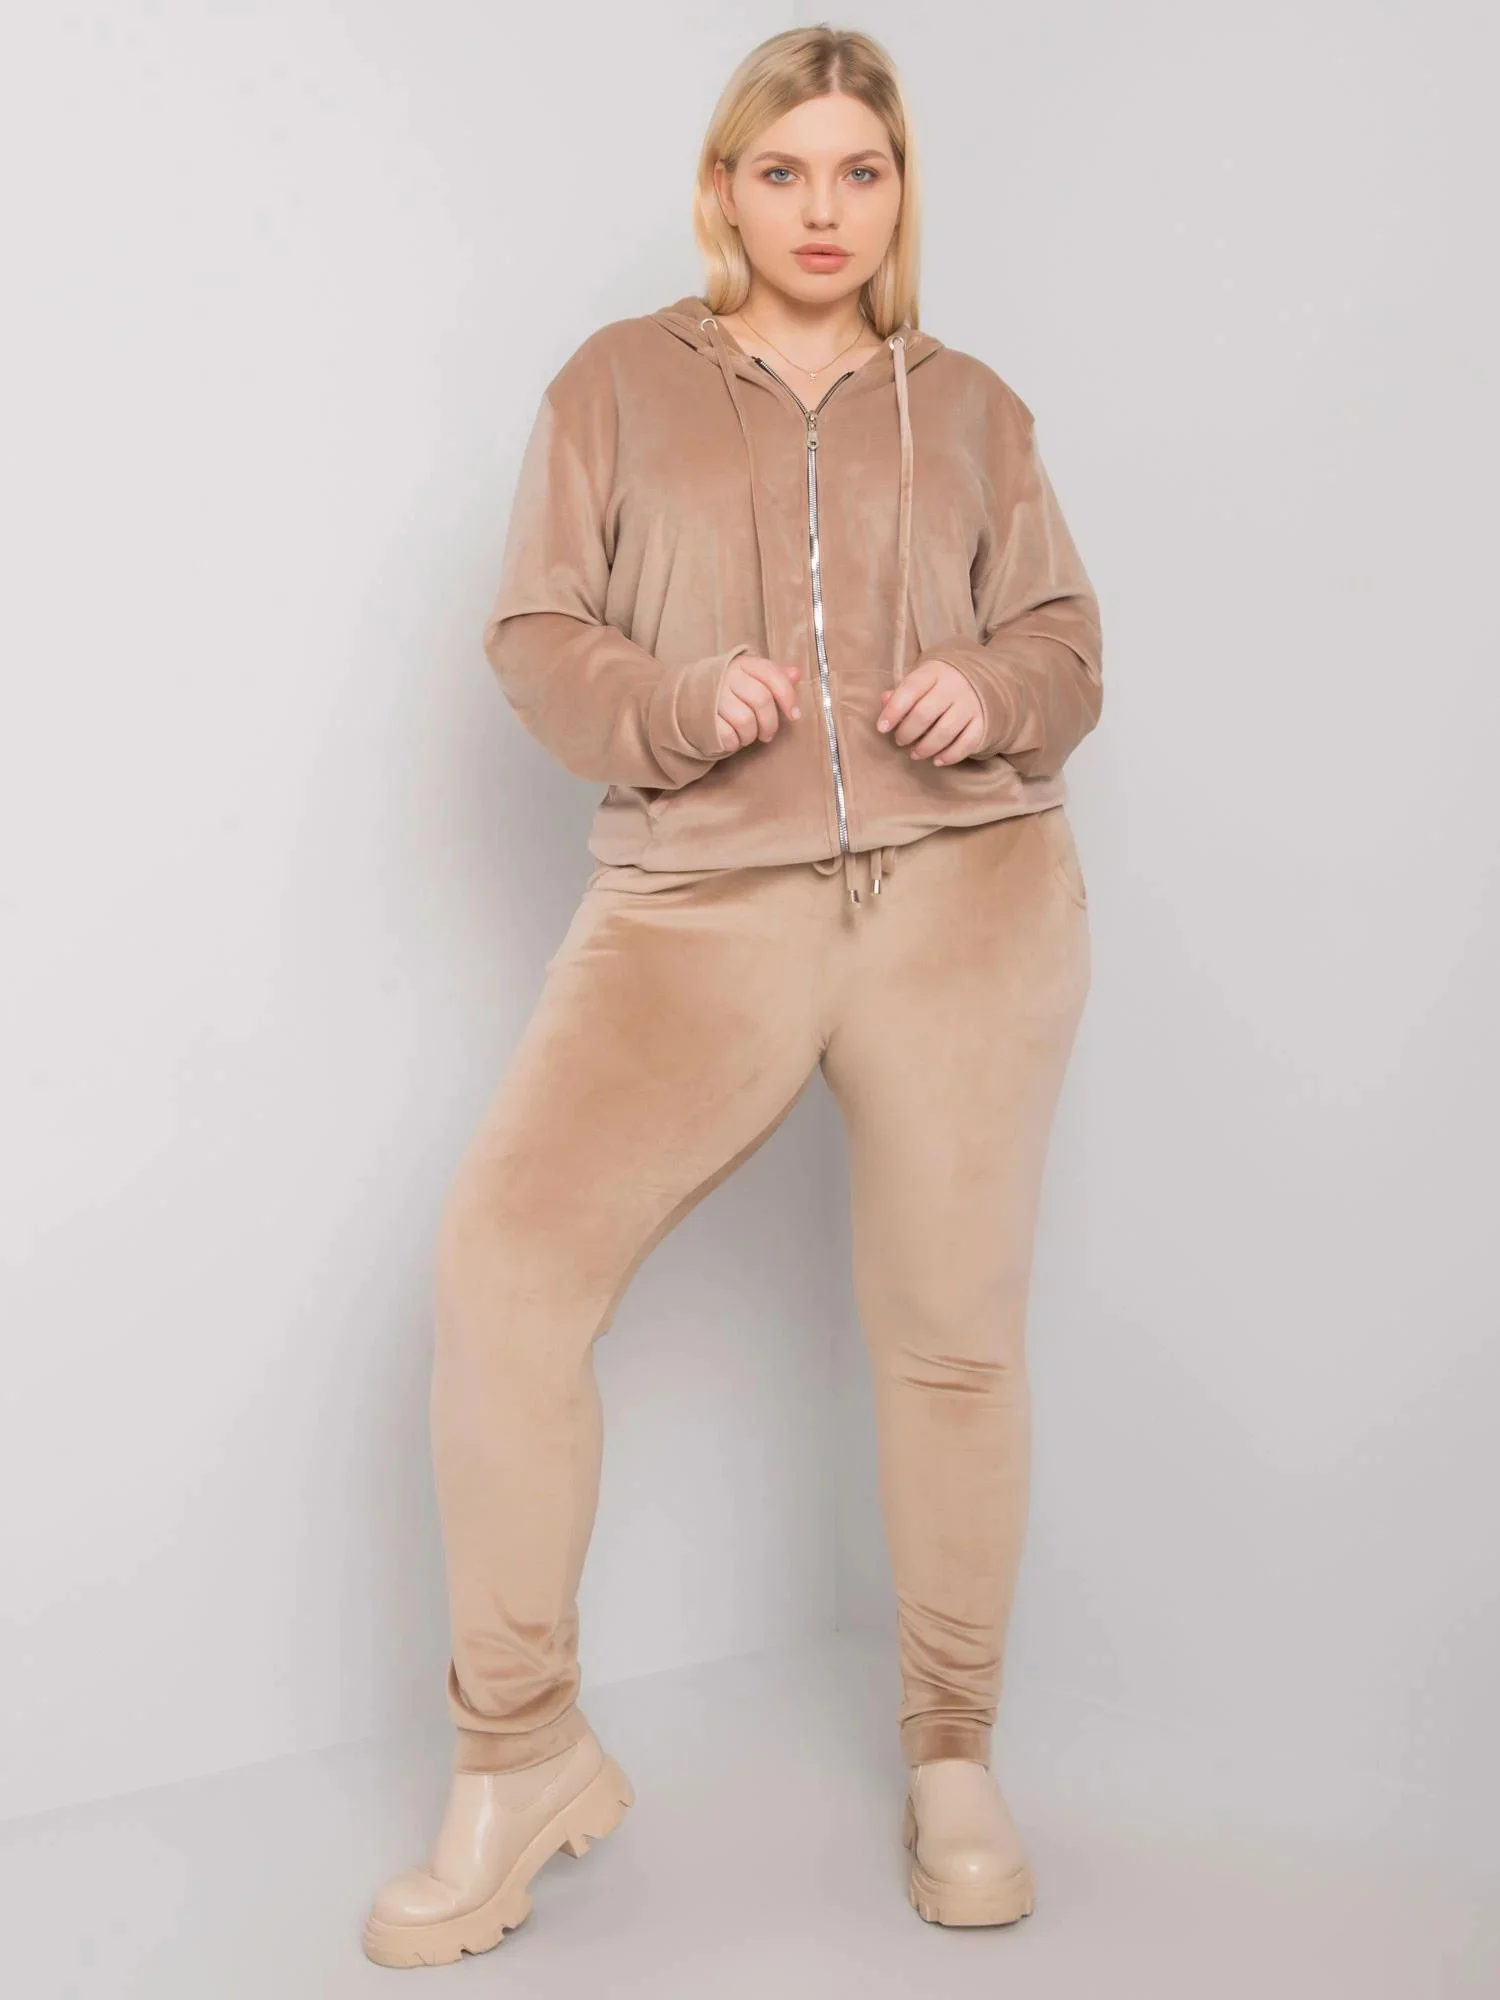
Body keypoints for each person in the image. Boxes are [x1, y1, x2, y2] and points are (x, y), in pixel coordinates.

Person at [363, 22, 1101, 1968]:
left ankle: (955, 1754)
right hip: (695, 913)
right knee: (504, 1277)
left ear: (901, 192)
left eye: (862, 171)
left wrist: (993, 690)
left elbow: (1067, 641)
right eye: (786, 172)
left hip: (972, 906)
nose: (824, 210)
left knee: (950, 1338)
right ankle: (518, 1752)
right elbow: (538, 634)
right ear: (725, 189)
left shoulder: (977, 411)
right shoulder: (615, 387)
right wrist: (678, 702)